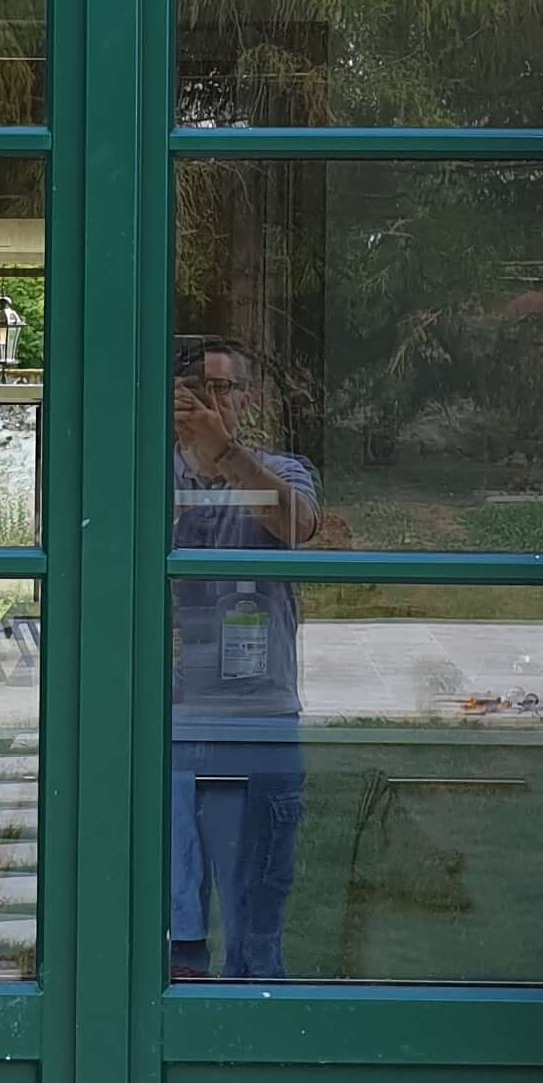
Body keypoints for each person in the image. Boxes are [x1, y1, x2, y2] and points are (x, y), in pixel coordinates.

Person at [168, 339, 317, 982]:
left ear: (247, 399)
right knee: (167, 940)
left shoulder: (280, 468)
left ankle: (258, 1061)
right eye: (198, 387)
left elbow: (300, 526)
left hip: (255, 724)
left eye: (225, 389)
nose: (213, 400)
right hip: (162, 726)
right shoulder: (142, 475)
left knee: (255, 932)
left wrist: (225, 457)